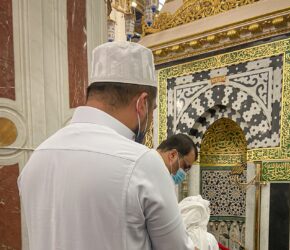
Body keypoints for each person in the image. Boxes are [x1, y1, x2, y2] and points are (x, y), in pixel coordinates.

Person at [18, 41, 194, 250]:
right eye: (152, 109)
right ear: (142, 103)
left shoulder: (38, 157)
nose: (150, 117)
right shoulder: (142, 163)